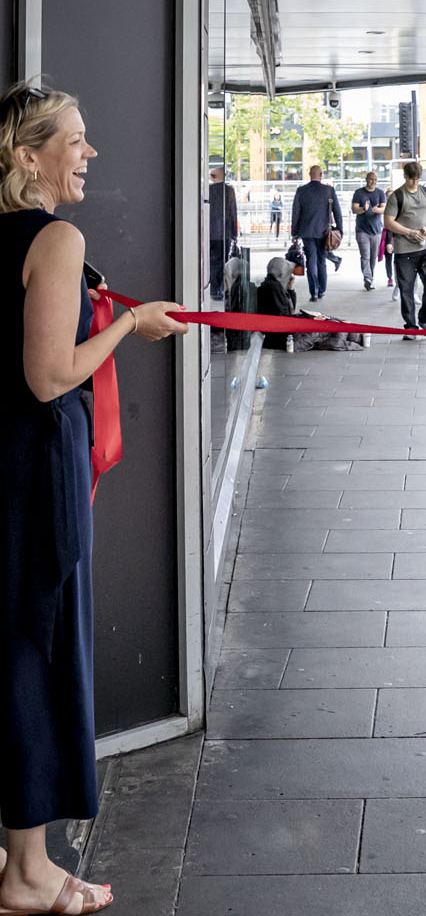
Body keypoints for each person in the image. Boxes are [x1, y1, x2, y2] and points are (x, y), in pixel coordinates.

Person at [0, 81, 187, 916]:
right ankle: (27, 873)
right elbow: (49, 377)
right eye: (74, 139)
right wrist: (129, 324)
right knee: (34, 651)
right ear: (28, 155)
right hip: (32, 475)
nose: (89, 152)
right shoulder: (56, 238)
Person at [382, 160, 426, 339]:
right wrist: (410, 232)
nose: (414, 182)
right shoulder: (396, 196)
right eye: (411, 179)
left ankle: (425, 318)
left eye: (417, 179)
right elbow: (388, 222)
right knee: (406, 289)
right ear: (405, 176)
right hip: (404, 250)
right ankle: (410, 326)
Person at [287, 164, 343, 302]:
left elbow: (296, 213)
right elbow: (337, 211)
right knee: (321, 260)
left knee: (311, 261)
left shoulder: (301, 190)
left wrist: (294, 233)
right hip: (324, 232)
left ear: (309, 175)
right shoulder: (329, 190)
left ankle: (314, 292)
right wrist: (340, 230)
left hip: (307, 232)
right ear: (321, 175)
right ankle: (322, 289)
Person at [350, 171, 386, 291]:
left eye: (375, 180)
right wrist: (363, 209)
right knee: (365, 255)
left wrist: (376, 210)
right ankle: (367, 278)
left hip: (376, 230)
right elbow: (354, 209)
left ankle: (370, 278)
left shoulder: (380, 192)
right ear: (366, 179)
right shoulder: (359, 193)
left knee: (373, 257)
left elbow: (384, 208)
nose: (373, 182)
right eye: (371, 179)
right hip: (362, 230)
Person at [207, 165, 238, 301]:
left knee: (211, 262)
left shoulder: (207, 190)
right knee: (221, 262)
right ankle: (218, 289)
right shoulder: (229, 191)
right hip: (224, 233)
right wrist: (234, 233)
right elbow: (232, 212)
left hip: (209, 233)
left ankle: (213, 288)